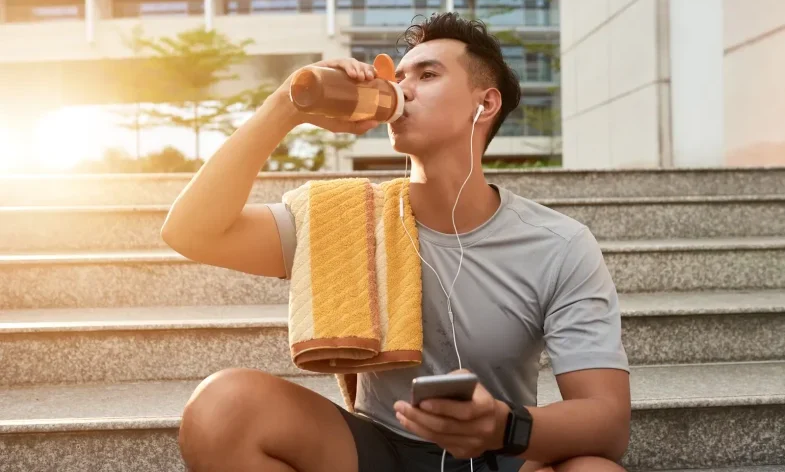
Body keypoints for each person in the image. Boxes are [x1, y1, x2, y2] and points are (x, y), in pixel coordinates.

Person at [162, 12, 631, 472]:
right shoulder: (347, 218)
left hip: (500, 451)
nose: (402, 88)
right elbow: (191, 232)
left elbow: (607, 422)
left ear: (484, 105)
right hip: (379, 449)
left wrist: (501, 428)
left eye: (428, 75)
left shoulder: (558, 245)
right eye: (400, 75)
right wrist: (289, 104)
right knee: (224, 406)